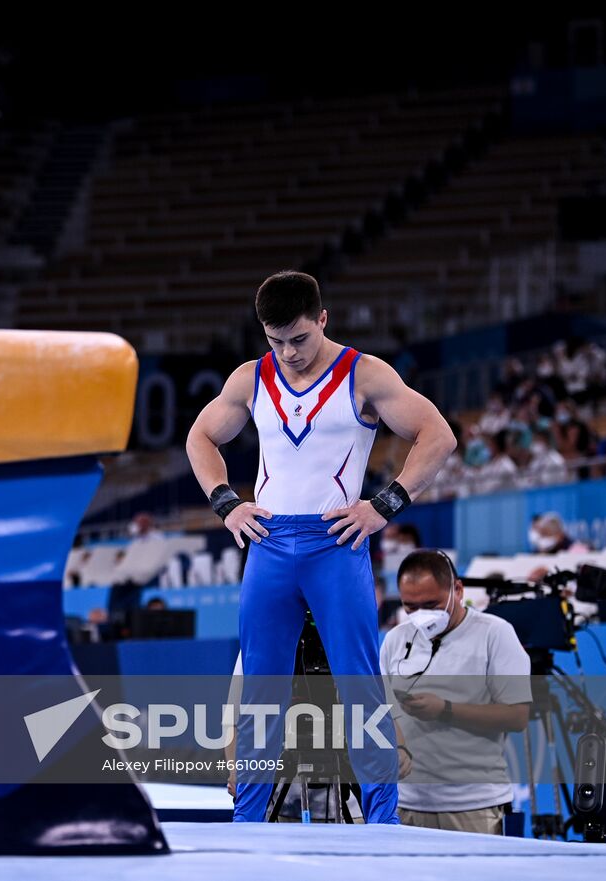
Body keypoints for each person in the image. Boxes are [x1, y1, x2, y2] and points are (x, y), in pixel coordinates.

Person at [186, 270, 455, 825]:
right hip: (269, 543)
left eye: (300, 339)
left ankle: (383, 820)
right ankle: (248, 820)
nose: (288, 353)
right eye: (275, 340)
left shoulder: (364, 374)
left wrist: (384, 505)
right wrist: (226, 503)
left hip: (336, 543)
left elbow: (439, 435)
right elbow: (201, 436)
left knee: (360, 684)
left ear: (323, 319)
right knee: (261, 689)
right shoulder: (250, 378)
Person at [380, 550, 531, 835]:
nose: (421, 615)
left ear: (457, 590)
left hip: (475, 806)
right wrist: (397, 748)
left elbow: (517, 716)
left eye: (431, 604)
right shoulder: (394, 640)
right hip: (405, 806)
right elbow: (386, 712)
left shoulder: (495, 634)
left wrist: (446, 709)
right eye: (410, 607)